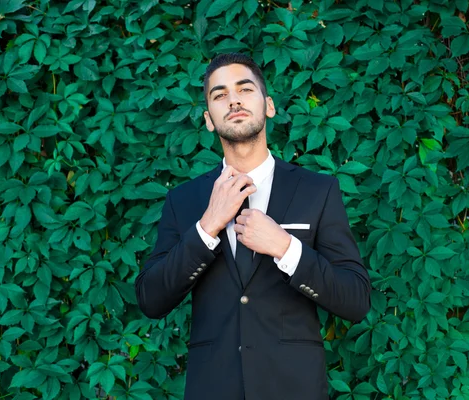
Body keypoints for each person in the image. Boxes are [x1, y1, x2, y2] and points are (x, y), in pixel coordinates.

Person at [135, 53, 371, 400]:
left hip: (295, 388)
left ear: (269, 106)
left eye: (245, 89)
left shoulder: (317, 190)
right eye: (219, 95)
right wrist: (206, 227)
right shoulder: (183, 201)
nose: (233, 100)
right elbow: (150, 299)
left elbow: (355, 299)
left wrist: (285, 248)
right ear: (209, 120)